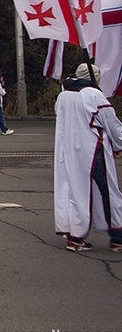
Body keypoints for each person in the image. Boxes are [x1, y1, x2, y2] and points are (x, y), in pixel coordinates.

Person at [54, 64, 122, 252]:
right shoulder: (93, 95)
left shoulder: (63, 95)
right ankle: (118, 237)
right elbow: (110, 122)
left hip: (70, 151)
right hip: (93, 150)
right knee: (109, 193)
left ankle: (75, 235)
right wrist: (119, 145)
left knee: (76, 191)